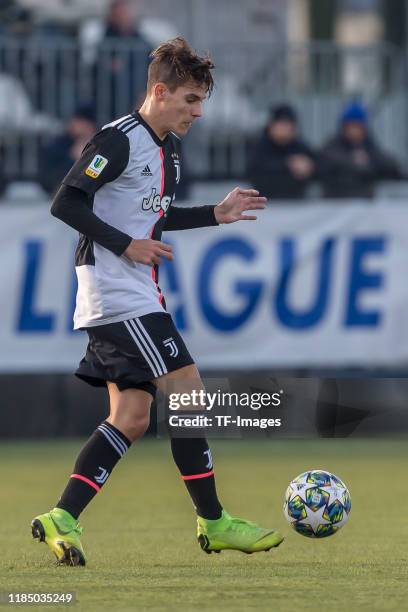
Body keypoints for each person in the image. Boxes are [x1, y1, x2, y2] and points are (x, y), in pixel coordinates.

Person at [31, 37, 284, 566]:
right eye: (191, 99)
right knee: (188, 390)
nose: (198, 111)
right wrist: (126, 245)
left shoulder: (168, 147)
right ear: (160, 90)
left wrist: (213, 214)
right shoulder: (118, 140)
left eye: (202, 101)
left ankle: (63, 517)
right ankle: (214, 522)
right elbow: (66, 200)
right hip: (115, 290)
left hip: (131, 291)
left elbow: (151, 216)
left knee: (131, 416)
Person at [319, 102, 404, 199]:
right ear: (344, 127)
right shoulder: (332, 146)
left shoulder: (369, 146)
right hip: (336, 202)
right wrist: (354, 162)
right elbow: (327, 163)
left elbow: (390, 165)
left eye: (358, 127)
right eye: (351, 126)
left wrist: (368, 161)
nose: (354, 131)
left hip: (365, 203)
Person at [247, 104, 316, 200]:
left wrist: (309, 167)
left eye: (288, 125)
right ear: (271, 126)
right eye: (281, 124)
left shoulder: (300, 146)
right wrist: (288, 165)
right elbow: (256, 172)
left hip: (297, 204)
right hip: (265, 205)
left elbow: (319, 166)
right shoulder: (260, 146)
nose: (285, 129)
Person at [39, 106, 97, 196]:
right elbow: (49, 174)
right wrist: (73, 157)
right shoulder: (61, 143)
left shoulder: (99, 141)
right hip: (59, 187)